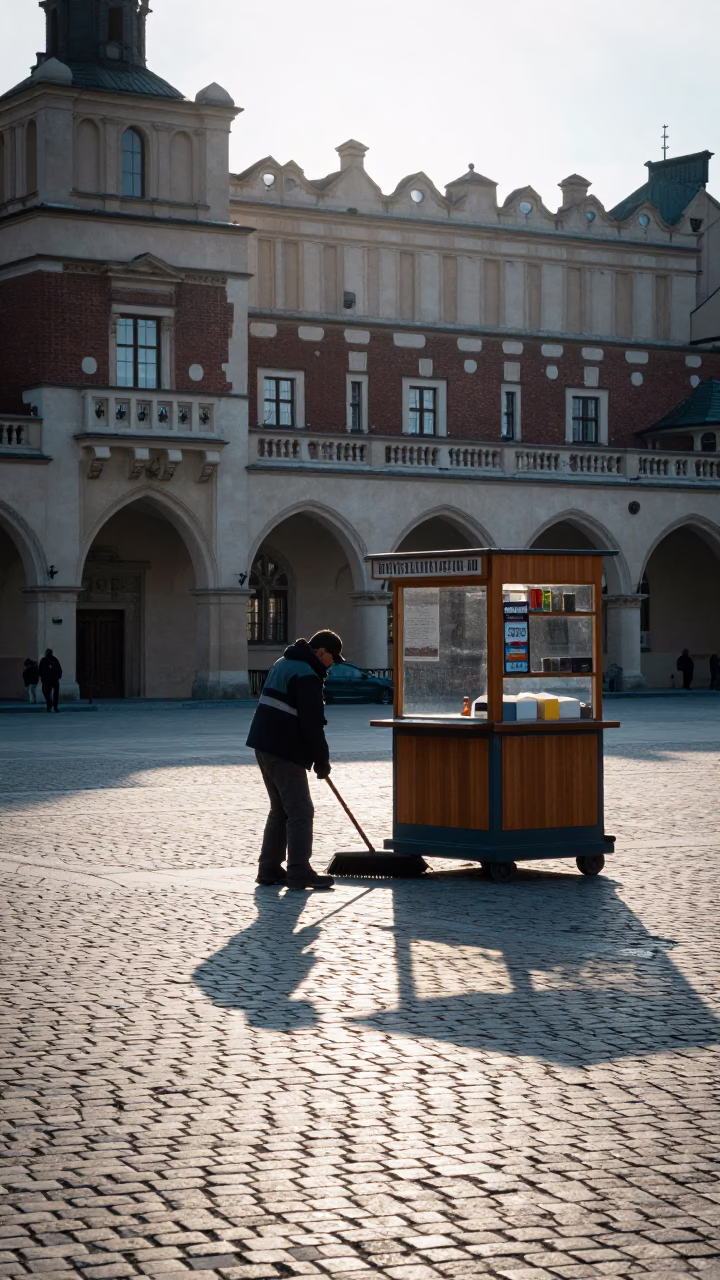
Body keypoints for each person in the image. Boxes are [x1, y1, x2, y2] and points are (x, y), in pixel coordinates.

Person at [247, 630, 345, 891]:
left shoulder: (283, 663)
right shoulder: (306, 675)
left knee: (280, 809)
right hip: (283, 749)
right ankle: (299, 872)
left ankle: (268, 869)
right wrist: (322, 760)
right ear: (321, 652)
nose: (331, 664)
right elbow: (312, 724)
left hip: (263, 744)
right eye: (332, 658)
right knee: (301, 810)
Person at [38, 648, 63, 713]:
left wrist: (42, 677)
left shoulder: (43, 660)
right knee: (55, 694)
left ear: (46, 653)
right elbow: (59, 669)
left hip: (46, 680)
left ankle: (49, 705)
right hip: (55, 680)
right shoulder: (55, 660)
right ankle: (55, 707)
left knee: (46, 692)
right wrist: (58, 677)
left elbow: (40, 671)